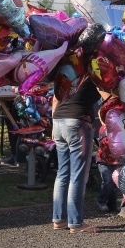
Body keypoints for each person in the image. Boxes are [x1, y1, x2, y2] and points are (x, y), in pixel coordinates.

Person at [51, 76, 105, 233]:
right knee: (78, 175)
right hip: (78, 122)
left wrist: (54, 125)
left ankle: (59, 220)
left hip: (59, 121)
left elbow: (55, 99)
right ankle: (76, 223)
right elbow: (108, 98)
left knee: (62, 173)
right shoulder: (95, 74)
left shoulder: (67, 73)